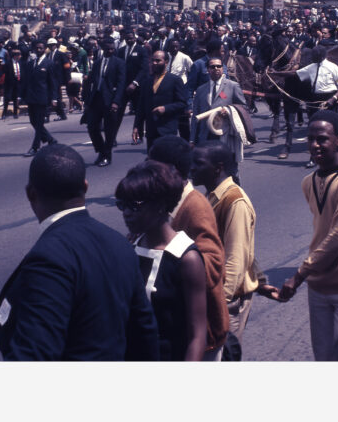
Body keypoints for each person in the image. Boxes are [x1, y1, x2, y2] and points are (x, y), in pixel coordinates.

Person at [0, 144, 159, 360]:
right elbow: (145, 333)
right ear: (86, 186)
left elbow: (34, 354)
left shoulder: (48, 258)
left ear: (31, 194)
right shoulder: (120, 244)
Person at [275, 110, 338, 361]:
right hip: (319, 289)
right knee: (323, 359)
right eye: (311, 139)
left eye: (322, 139)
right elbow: (325, 231)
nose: (315, 145)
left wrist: (299, 275)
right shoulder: (308, 182)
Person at [115, 160, 208, 361]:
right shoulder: (131, 247)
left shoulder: (186, 258)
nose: (126, 213)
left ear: (160, 205)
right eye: (122, 205)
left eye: (135, 206)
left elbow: (197, 335)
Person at [148, 136, 229, 360]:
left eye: (153, 167)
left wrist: (174, 259)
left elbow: (213, 264)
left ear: (171, 170)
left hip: (203, 332)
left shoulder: (195, 206)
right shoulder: (165, 202)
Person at [191, 141, 270, 361]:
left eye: (198, 163)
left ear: (217, 167)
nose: (192, 168)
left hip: (228, 301)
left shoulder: (235, 202)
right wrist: (261, 281)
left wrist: (219, 305)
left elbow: (235, 259)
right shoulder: (212, 196)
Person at [82, 36, 126, 167]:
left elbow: (121, 84)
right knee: (92, 127)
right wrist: (87, 99)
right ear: (103, 49)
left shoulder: (119, 63)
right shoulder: (97, 62)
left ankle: (107, 156)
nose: (111, 51)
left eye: (113, 49)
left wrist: (116, 102)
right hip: (96, 99)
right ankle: (101, 150)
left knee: (109, 130)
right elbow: (91, 81)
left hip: (111, 100)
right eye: (108, 49)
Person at [136, 50, 190, 151]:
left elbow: (182, 103)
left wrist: (165, 108)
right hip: (151, 129)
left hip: (167, 129)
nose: (154, 63)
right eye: (152, 61)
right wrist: (136, 127)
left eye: (158, 61)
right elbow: (141, 106)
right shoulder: (147, 81)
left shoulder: (175, 80)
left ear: (166, 62)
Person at [19, 45, 58, 156]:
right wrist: (20, 96)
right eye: (37, 48)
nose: (39, 50)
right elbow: (25, 81)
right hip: (31, 97)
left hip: (42, 97)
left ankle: (35, 147)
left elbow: (53, 82)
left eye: (41, 48)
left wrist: (54, 98)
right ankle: (50, 139)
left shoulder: (49, 63)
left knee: (39, 123)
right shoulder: (31, 64)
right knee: (33, 121)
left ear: (44, 49)